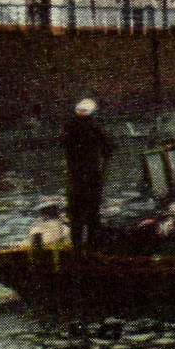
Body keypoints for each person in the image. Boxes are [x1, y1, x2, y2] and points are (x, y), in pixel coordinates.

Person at [62, 97, 113, 250]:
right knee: (92, 213)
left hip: (75, 177)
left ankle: (77, 247)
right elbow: (109, 149)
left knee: (76, 215)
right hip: (91, 176)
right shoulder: (95, 128)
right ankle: (91, 246)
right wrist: (103, 170)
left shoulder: (69, 128)